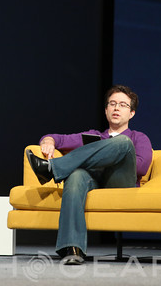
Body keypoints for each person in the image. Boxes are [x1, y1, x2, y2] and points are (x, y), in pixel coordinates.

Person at [25, 85, 153, 265]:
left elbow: (141, 168)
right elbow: (57, 138)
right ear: (106, 110)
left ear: (131, 113)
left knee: (122, 143)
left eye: (123, 105)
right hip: (94, 182)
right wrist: (48, 141)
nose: (116, 108)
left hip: (120, 181)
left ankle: (52, 169)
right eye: (112, 104)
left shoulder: (137, 137)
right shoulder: (94, 136)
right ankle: (72, 248)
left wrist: (107, 157)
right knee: (76, 175)